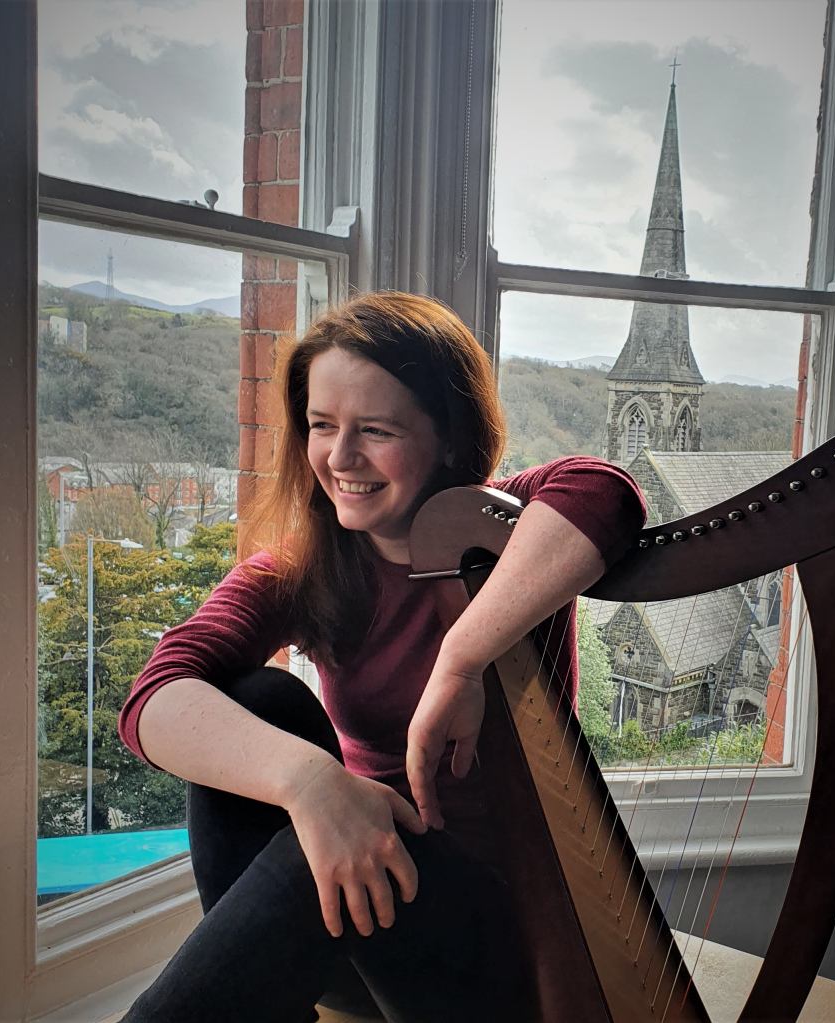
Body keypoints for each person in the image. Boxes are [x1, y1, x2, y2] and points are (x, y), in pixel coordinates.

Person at [118, 292, 645, 1022]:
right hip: (360, 925)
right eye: (322, 425)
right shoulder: (307, 567)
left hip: (507, 948)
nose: (340, 457)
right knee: (256, 701)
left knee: (348, 833)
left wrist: (462, 657)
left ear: (448, 435)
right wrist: (311, 783)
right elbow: (154, 696)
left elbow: (608, 493)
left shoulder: (506, 530)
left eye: (376, 429)